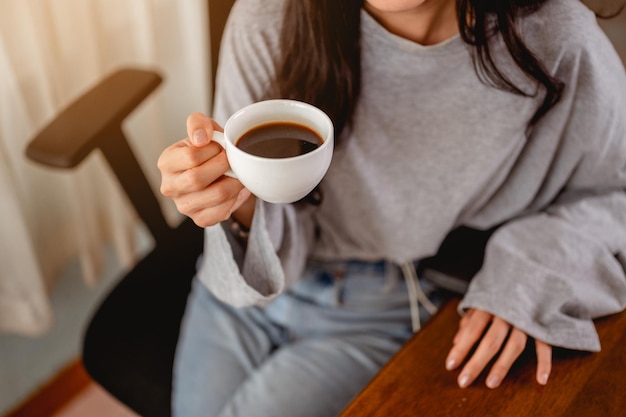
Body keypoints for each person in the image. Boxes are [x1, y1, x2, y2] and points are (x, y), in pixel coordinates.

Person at [157, 0, 626, 415]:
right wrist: (233, 205)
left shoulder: (554, 38)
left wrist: (528, 275)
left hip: (378, 307)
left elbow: (614, 195)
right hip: (243, 293)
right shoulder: (268, 17)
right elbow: (245, 253)